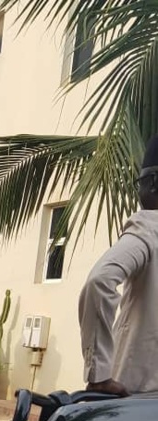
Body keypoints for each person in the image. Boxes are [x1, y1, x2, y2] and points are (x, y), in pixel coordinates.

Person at [79, 135, 158, 397]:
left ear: (153, 183)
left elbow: (100, 280)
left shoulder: (149, 229)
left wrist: (98, 374)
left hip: (136, 396)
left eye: (140, 183)